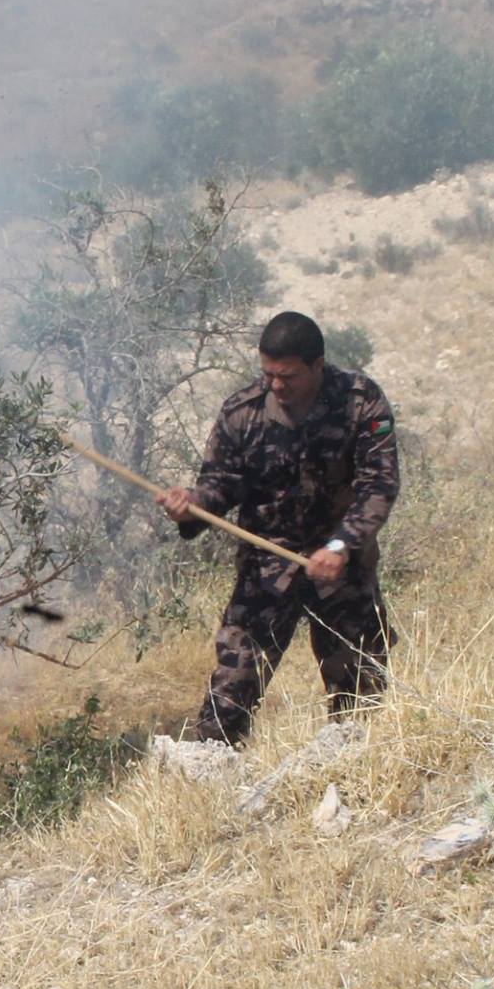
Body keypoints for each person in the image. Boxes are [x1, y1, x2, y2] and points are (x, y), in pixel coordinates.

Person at [156, 311, 400, 745]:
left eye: (287, 376)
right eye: (268, 374)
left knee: (363, 696)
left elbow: (378, 484)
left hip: (342, 568)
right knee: (229, 696)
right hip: (266, 566)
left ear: (317, 365)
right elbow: (220, 483)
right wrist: (192, 505)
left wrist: (341, 545)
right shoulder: (242, 411)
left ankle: (355, 771)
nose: (275, 385)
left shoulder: (361, 402)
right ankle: (209, 768)